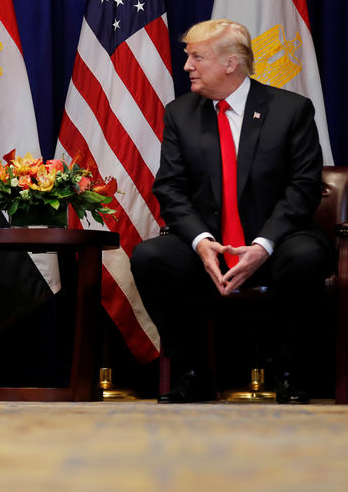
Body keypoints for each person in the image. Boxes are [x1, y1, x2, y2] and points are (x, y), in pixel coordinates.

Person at [130, 20, 332, 404]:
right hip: (210, 245)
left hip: (276, 242)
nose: (186, 65)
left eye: (196, 57)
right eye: (187, 57)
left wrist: (262, 245)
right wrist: (201, 241)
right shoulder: (180, 113)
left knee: (307, 256)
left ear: (231, 63)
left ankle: (291, 373)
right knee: (150, 257)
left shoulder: (290, 110)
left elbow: (302, 187)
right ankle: (194, 373)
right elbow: (170, 187)